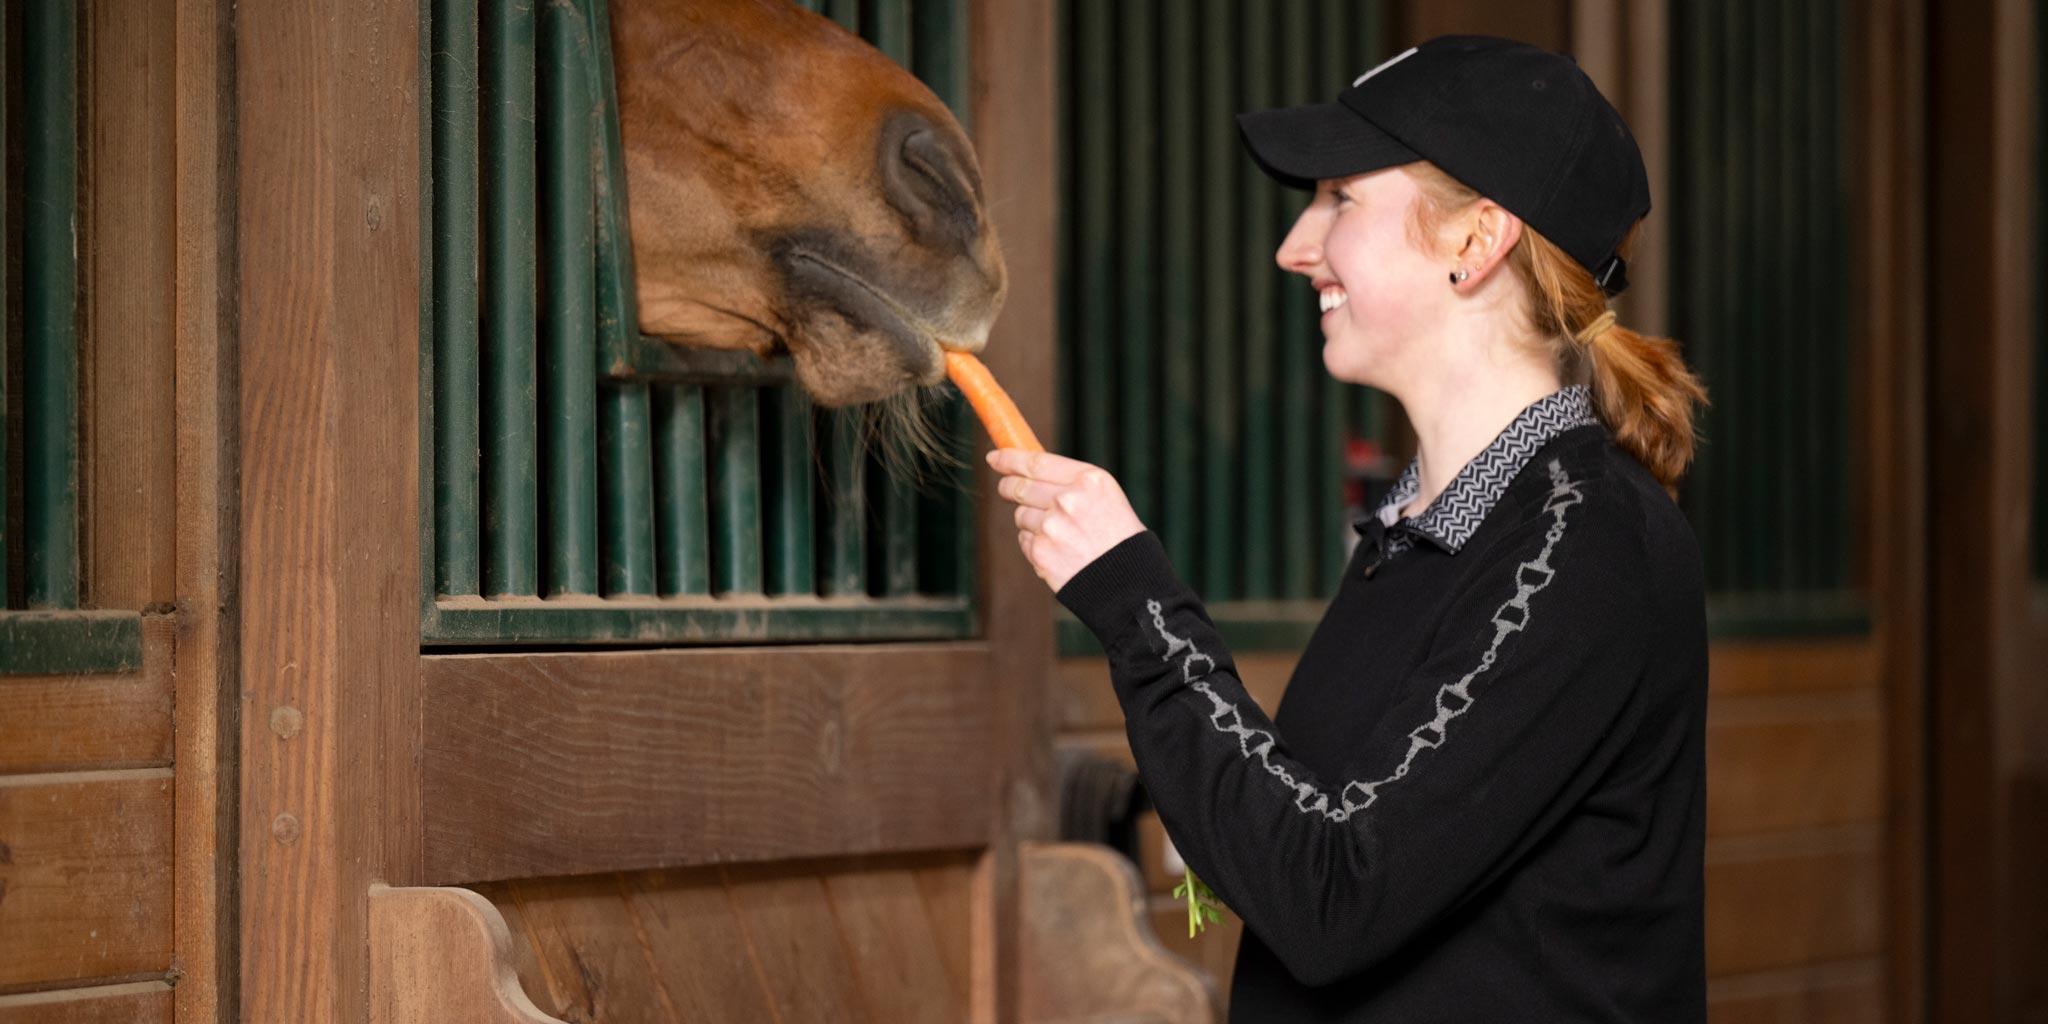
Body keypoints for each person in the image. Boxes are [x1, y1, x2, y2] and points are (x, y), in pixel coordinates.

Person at [988, 35, 1711, 1022]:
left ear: (1476, 239)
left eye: (1339, 199)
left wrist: (1132, 596)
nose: (1293, 245)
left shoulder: (1582, 545)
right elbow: (1319, 836)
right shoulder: (1417, 532)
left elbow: (1333, 892)